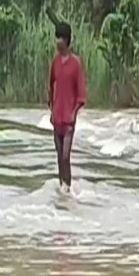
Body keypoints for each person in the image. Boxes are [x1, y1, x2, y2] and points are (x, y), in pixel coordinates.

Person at [48, 22, 87, 189]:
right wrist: (51, 108)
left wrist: (74, 113)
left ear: (67, 41)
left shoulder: (75, 64)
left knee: (65, 157)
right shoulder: (55, 62)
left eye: (60, 38)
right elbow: (50, 85)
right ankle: (61, 188)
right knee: (58, 157)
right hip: (57, 118)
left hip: (69, 120)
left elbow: (81, 96)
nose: (57, 41)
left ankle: (68, 188)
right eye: (56, 37)